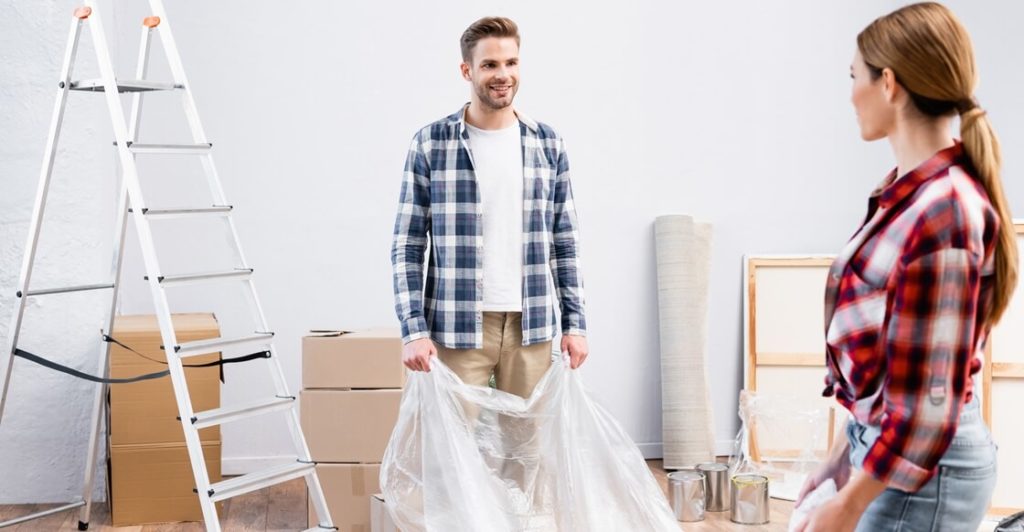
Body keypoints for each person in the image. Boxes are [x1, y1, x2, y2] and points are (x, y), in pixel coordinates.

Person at [795, 3, 1017, 531]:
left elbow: (924, 404)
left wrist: (848, 505)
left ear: (889, 84)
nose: (850, 94)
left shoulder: (943, 212)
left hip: (923, 474)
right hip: (892, 457)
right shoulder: (908, 194)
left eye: (855, 76)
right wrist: (842, 453)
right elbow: (889, 370)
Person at [390, 16, 589, 401]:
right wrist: (413, 331)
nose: (503, 75)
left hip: (530, 325)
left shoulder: (547, 144)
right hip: (456, 324)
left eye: (511, 63)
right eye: (490, 65)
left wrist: (575, 324)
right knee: (454, 450)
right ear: (467, 70)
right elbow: (407, 246)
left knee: (527, 448)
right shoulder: (432, 144)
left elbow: (565, 242)